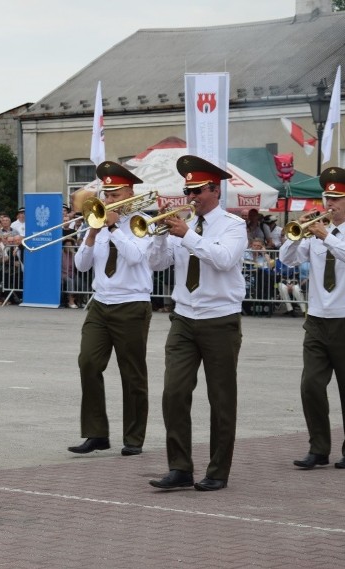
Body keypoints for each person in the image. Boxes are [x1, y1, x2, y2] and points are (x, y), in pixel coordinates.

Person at [148, 155, 247, 492]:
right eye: (187, 189)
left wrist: (187, 234)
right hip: (184, 319)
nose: (191, 196)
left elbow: (223, 260)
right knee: (173, 393)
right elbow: (157, 264)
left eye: (197, 190)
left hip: (220, 320)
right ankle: (180, 467)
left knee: (221, 399)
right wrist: (161, 235)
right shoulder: (182, 227)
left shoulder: (233, 226)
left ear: (214, 190)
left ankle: (218, 470)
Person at [279, 167, 345, 470]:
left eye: (336, 198)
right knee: (310, 385)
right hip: (317, 319)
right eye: (327, 197)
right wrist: (296, 235)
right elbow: (287, 258)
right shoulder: (316, 231)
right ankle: (318, 448)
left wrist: (328, 235)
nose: (329, 203)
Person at [67, 161, 153, 457]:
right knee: (88, 362)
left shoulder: (143, 222)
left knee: (132, 374)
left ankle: (134, 437)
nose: (109, 200)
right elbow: (80, 266)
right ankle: (96, 433)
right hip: (101, 305)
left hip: (132, 304)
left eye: (115, 194)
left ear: (130, 192)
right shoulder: (98, 223)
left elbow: (134, 256)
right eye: (108, 194)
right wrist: (91, 235)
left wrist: (114, 226)